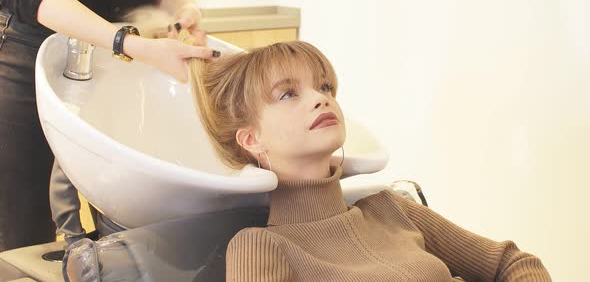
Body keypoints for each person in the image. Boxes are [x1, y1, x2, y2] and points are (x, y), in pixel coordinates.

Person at [186, 41, 552, 281]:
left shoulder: (392, 208)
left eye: (325, 86)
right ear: (252, 140)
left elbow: (514, 262)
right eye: (288, 94)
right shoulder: (262, 247)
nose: (320, 99)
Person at [0, 0, 218, 251]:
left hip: (123, 62)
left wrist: (183, 9)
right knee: (23, 231)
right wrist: (125, 41)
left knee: (122, 226)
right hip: (35, 58)